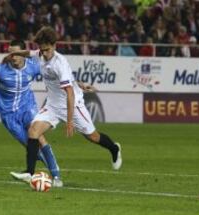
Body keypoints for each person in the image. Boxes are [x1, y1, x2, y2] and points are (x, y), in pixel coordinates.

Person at [9, 27, 122, 183]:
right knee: (33, 130)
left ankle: (114, 148)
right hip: (53, 106)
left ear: (55, 45)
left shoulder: (59, 63)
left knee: (93, 136)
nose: (45, 53)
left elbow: (70, 94)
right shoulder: (41, 54)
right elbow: (29, 53)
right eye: (42, 50)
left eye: (48, 50)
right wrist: (14, 54)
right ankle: (30, 172)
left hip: (73, 105)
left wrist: (69, 121)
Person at [0, 40, 63, 187]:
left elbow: (56, 76)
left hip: (28, 108)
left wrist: (76, 85)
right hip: (8, 115)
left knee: (38, 137)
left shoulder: (33, 66)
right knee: (30, 146)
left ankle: (56, 176)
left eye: (16, 53)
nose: (13, 56)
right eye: (10, 53)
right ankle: (35, 172)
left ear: (23, 53)